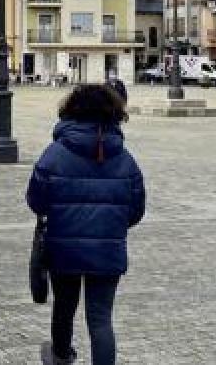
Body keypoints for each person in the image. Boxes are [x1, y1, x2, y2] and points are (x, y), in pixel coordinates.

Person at [27, 84, 145, 365]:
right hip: (107, 251)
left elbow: (36, 201)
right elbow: (136, 210)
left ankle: (61, 356)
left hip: (63, 248)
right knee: (101, 319)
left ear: (71, 112)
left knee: (64, 307)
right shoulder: (126, 160)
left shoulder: (53, 154)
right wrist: (109, 226)